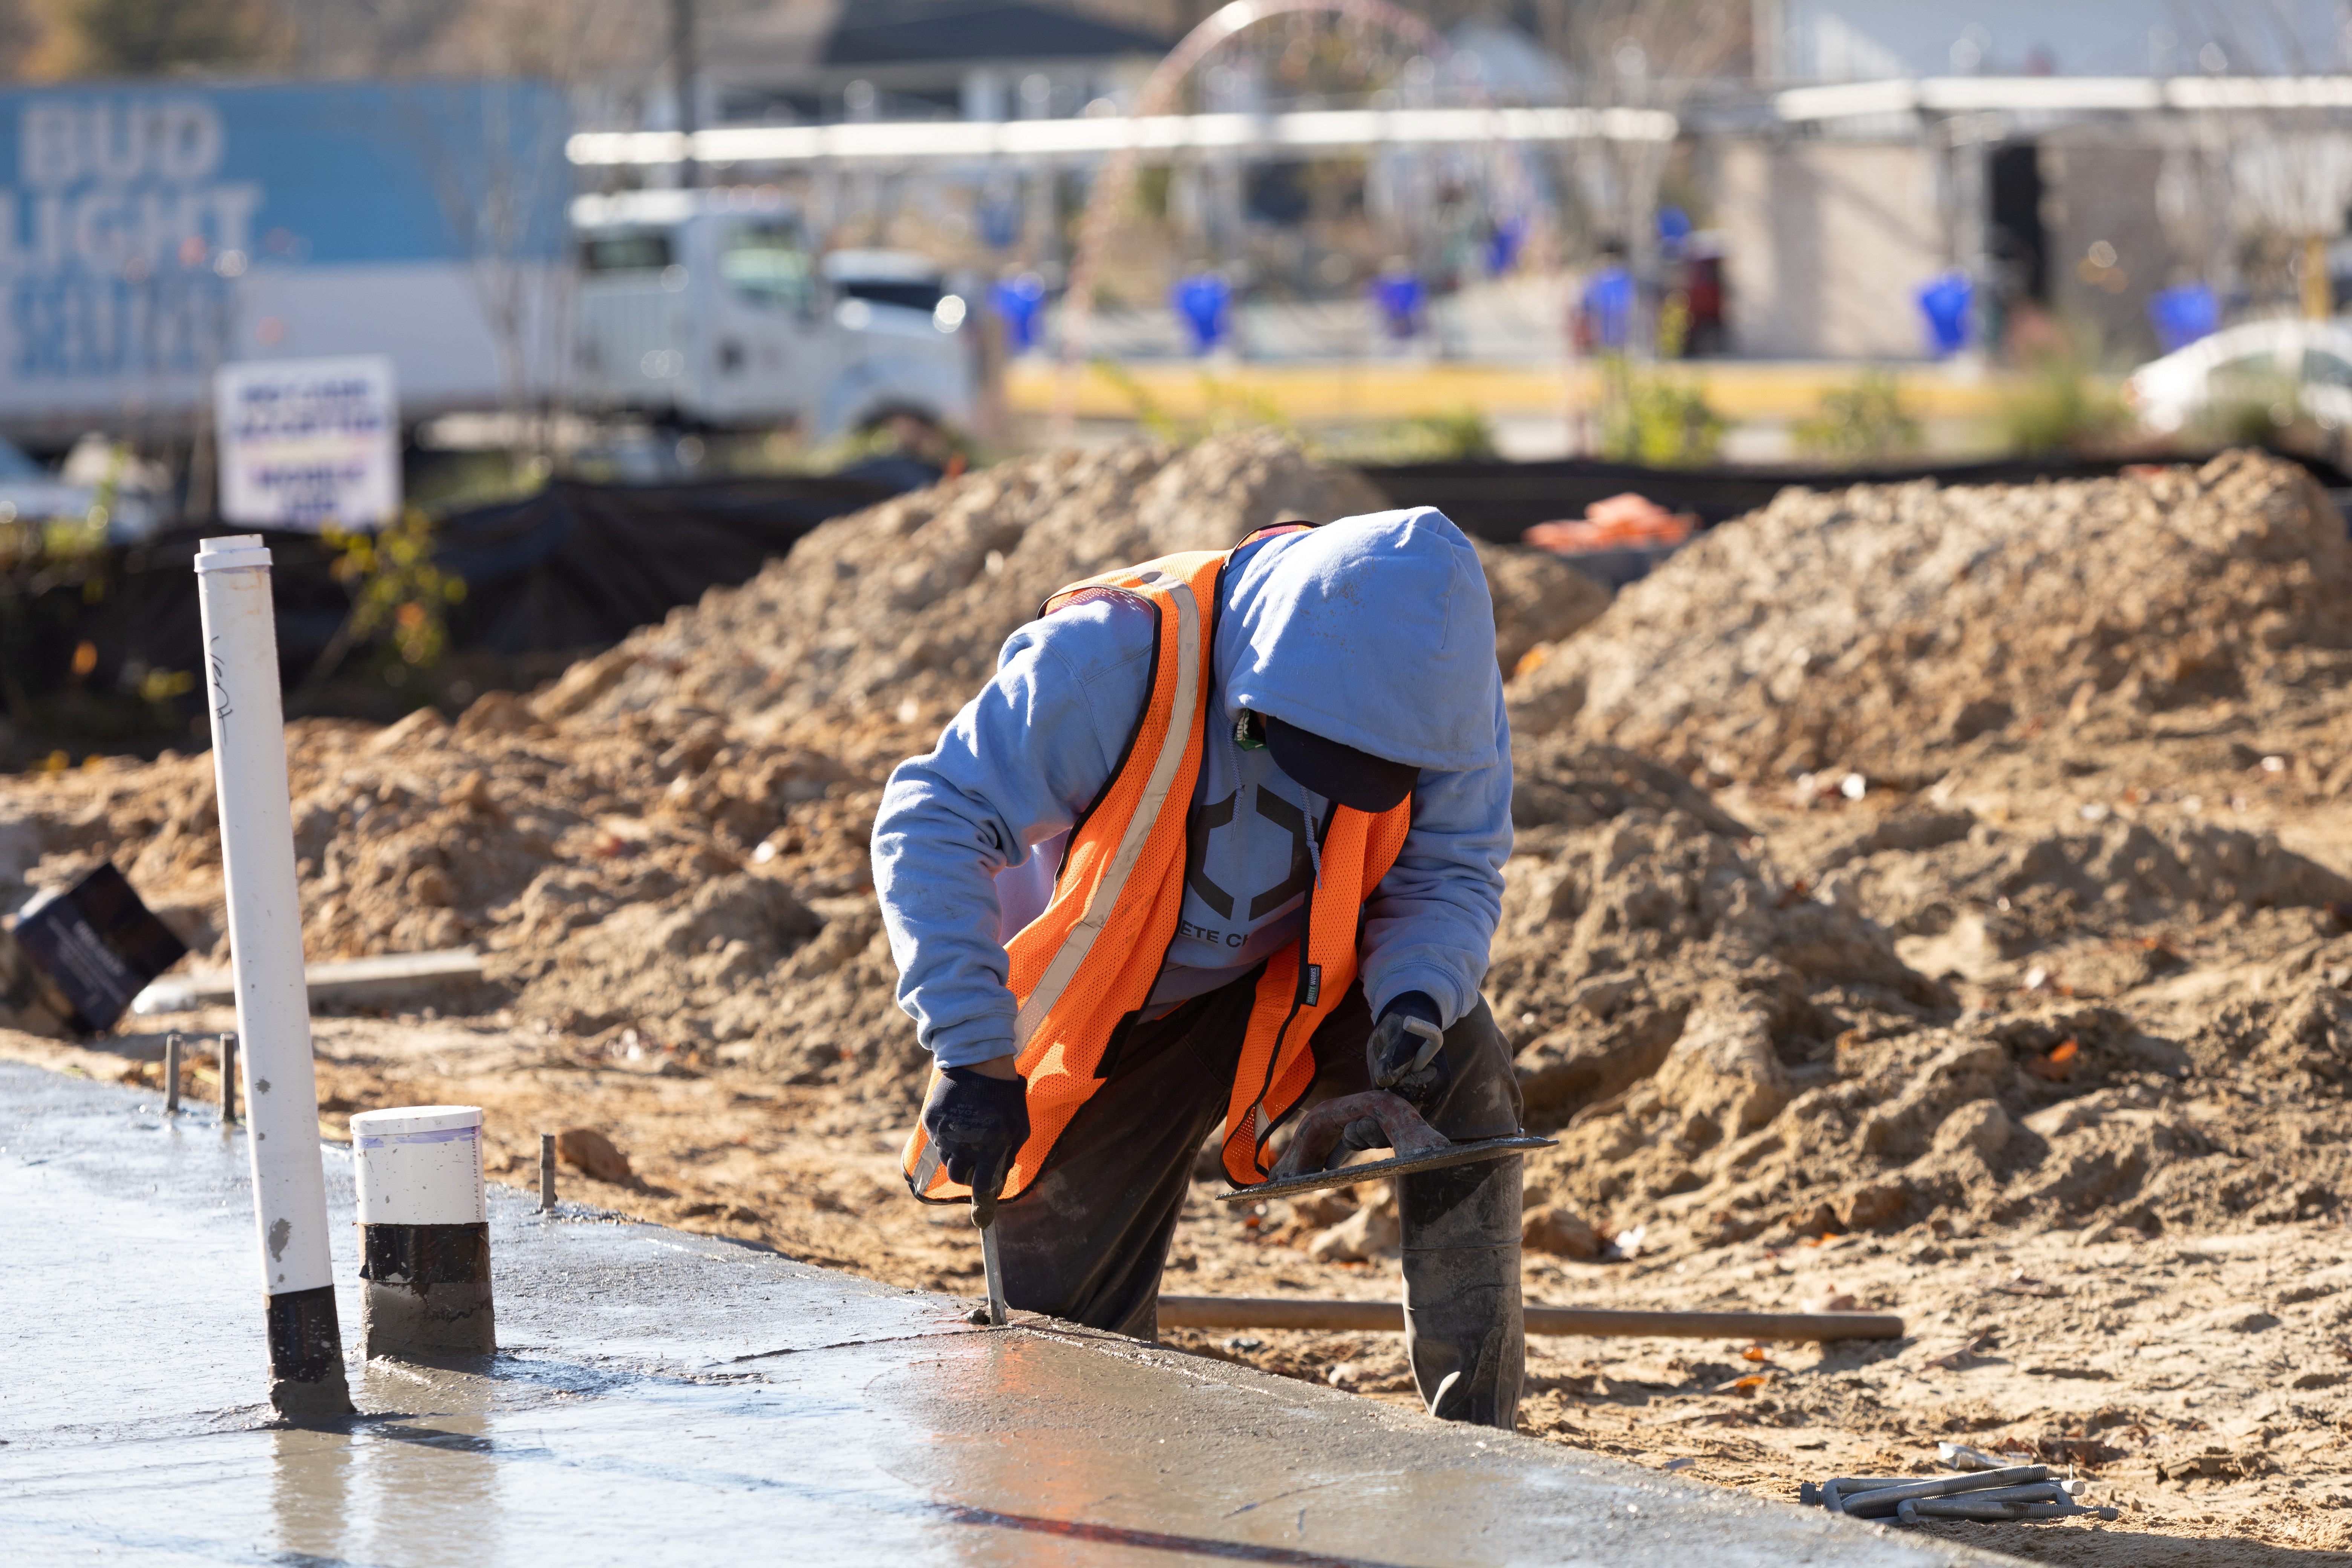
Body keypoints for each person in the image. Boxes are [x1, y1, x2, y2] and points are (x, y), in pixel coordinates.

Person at [872, 508, 1523, 1427]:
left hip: (1305, 986)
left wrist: (1417, 994)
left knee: (1463, 1059)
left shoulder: (1439, 697)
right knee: (1060, 1372)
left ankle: (1481, 1429)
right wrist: (972, 1050)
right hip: (1117, 1014)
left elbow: (1450, 867)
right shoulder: (1112, 661)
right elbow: (931, 819)